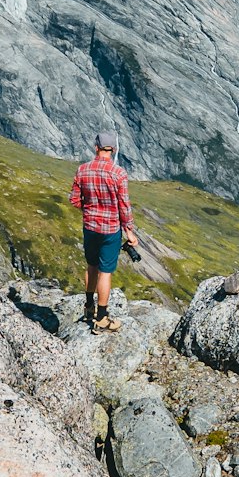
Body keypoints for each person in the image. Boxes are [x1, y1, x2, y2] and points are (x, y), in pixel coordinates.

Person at [69, 131, 138, 333]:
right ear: (113, 149)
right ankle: (101, 317)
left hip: (90, 227)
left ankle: (88, 306)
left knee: (91, 266)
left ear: (96, 147)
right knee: (105, 272)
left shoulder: (82, 170)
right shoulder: (119, 174)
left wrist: (89, 209)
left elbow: (74, 199)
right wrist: (130, 231)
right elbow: (124, 206)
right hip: (110, 230)